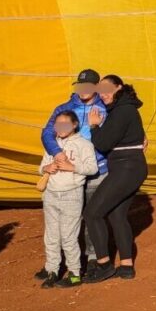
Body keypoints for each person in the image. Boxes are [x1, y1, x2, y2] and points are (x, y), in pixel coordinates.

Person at [41, 68, 108, 275]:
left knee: (92, 215)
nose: (84, 89)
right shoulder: (64, 109)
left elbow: (121, 127)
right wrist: (57, 152)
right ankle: (56, 264)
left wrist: (140, 136)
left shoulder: (106, 107)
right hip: (67, 174)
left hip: (97, 169)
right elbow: (47, 133)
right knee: (64, 221)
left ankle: (92, 258)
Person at [83, 75, 148, 283]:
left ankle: (104, 265)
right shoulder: (124, 109)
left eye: (107, 88)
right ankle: (126, 266)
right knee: (117, 216)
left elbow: (103, 143)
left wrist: (94, 126)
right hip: (129, 167)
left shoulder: (122, 110)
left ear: (119, 87)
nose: (103, 94)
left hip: (126, 168)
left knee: (92, 213)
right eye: (100, 90)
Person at [35, 111, 98, 289]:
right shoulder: (52, 144)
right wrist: (46, 168)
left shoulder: (84, 145)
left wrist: (72, 167)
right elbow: (41, 166)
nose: (60, 128)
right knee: (51, 236)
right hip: (51, 194)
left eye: (65, 124)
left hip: (71, 194)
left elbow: (92, 168)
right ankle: (52, 270)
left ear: (74, 125)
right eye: (57, 125)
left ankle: (74, 274)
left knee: (69, 237)